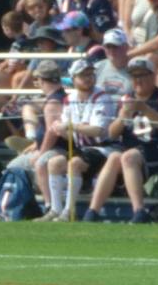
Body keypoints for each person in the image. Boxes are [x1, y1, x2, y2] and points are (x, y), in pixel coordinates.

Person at [84, 56, 158, 223]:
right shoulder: (126, 99)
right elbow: (112, 134)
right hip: (131, 149)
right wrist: (123, 116)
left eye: (142, 75)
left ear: (152, 76)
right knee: (114, 157)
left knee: (128, 157)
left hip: (157, 150)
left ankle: (139, 211)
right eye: (134, 76)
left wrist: (145, 108)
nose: (138, 80)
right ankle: (93, 211)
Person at [37, 59, 116, 222]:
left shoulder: (102, 97)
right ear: (73, 79)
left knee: (74, 163)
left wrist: (70, 126)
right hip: (82, 148)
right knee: (54, 163)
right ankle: (55, 209)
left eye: (90, 74)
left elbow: (98, 130)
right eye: (83, 75)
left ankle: (68, 211)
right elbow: (70, 135)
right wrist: (59, 129)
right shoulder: (69, 99)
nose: (88, 78)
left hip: (102, 148)